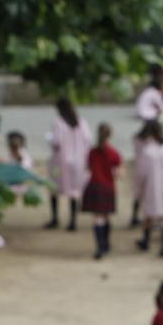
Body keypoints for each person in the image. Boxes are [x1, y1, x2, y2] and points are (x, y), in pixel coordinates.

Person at [134, 120, 163, 257]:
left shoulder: (147, 151)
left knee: (149, 214)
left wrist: (139, 189)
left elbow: (141, 173)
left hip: (152, 186)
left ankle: (146, 241)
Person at [45, 98, 91, 231]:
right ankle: (73, 221)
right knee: (74, 191)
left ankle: (55, 218)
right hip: (78, 162)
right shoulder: (82, 122)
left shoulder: (59, 123)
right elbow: (88, 139)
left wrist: (49, 138)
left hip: (60, 163)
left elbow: (56, 142)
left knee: (54, 188)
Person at [82, 122, 121, 259]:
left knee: (97, 218)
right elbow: (117, 172)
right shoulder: (113, 153)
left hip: (94, 186)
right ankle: (105, 244)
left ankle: (100, 246)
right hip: (107, 187)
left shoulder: (92, 152)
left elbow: (88, 168)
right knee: (105, 216)